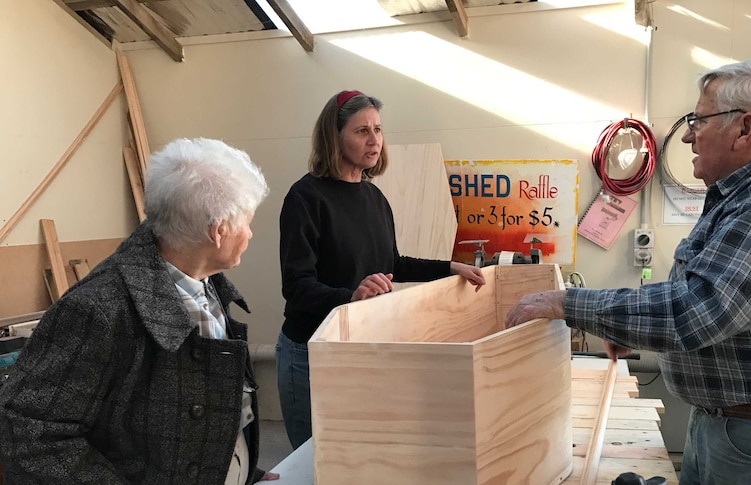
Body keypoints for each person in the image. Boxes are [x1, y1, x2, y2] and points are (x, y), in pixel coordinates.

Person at [505, 58, 751, 485]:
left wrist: (564, 302)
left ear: (745, 128)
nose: (689, 134)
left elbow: (701, 310)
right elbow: (708, 293)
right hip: (750, 428)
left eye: (699, 119)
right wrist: (624, 326)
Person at [0, 138, 280, 484]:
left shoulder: (203, 283)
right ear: (218, 230)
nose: (250, 234)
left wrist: (239, 469)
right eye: (247, 222)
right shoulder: (98, 309)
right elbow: (30, 433)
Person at [278, 90, 486, 448]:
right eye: (361, 131)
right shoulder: (305, 198)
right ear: (334, 135)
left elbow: (393, 264)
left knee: (356, 455)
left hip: (359, 345)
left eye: (378, 129)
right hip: (310, 353)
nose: (374, 140)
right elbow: (296, 286)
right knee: (315, 461)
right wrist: (350, 296)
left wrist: (451, 268)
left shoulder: (374, 197)